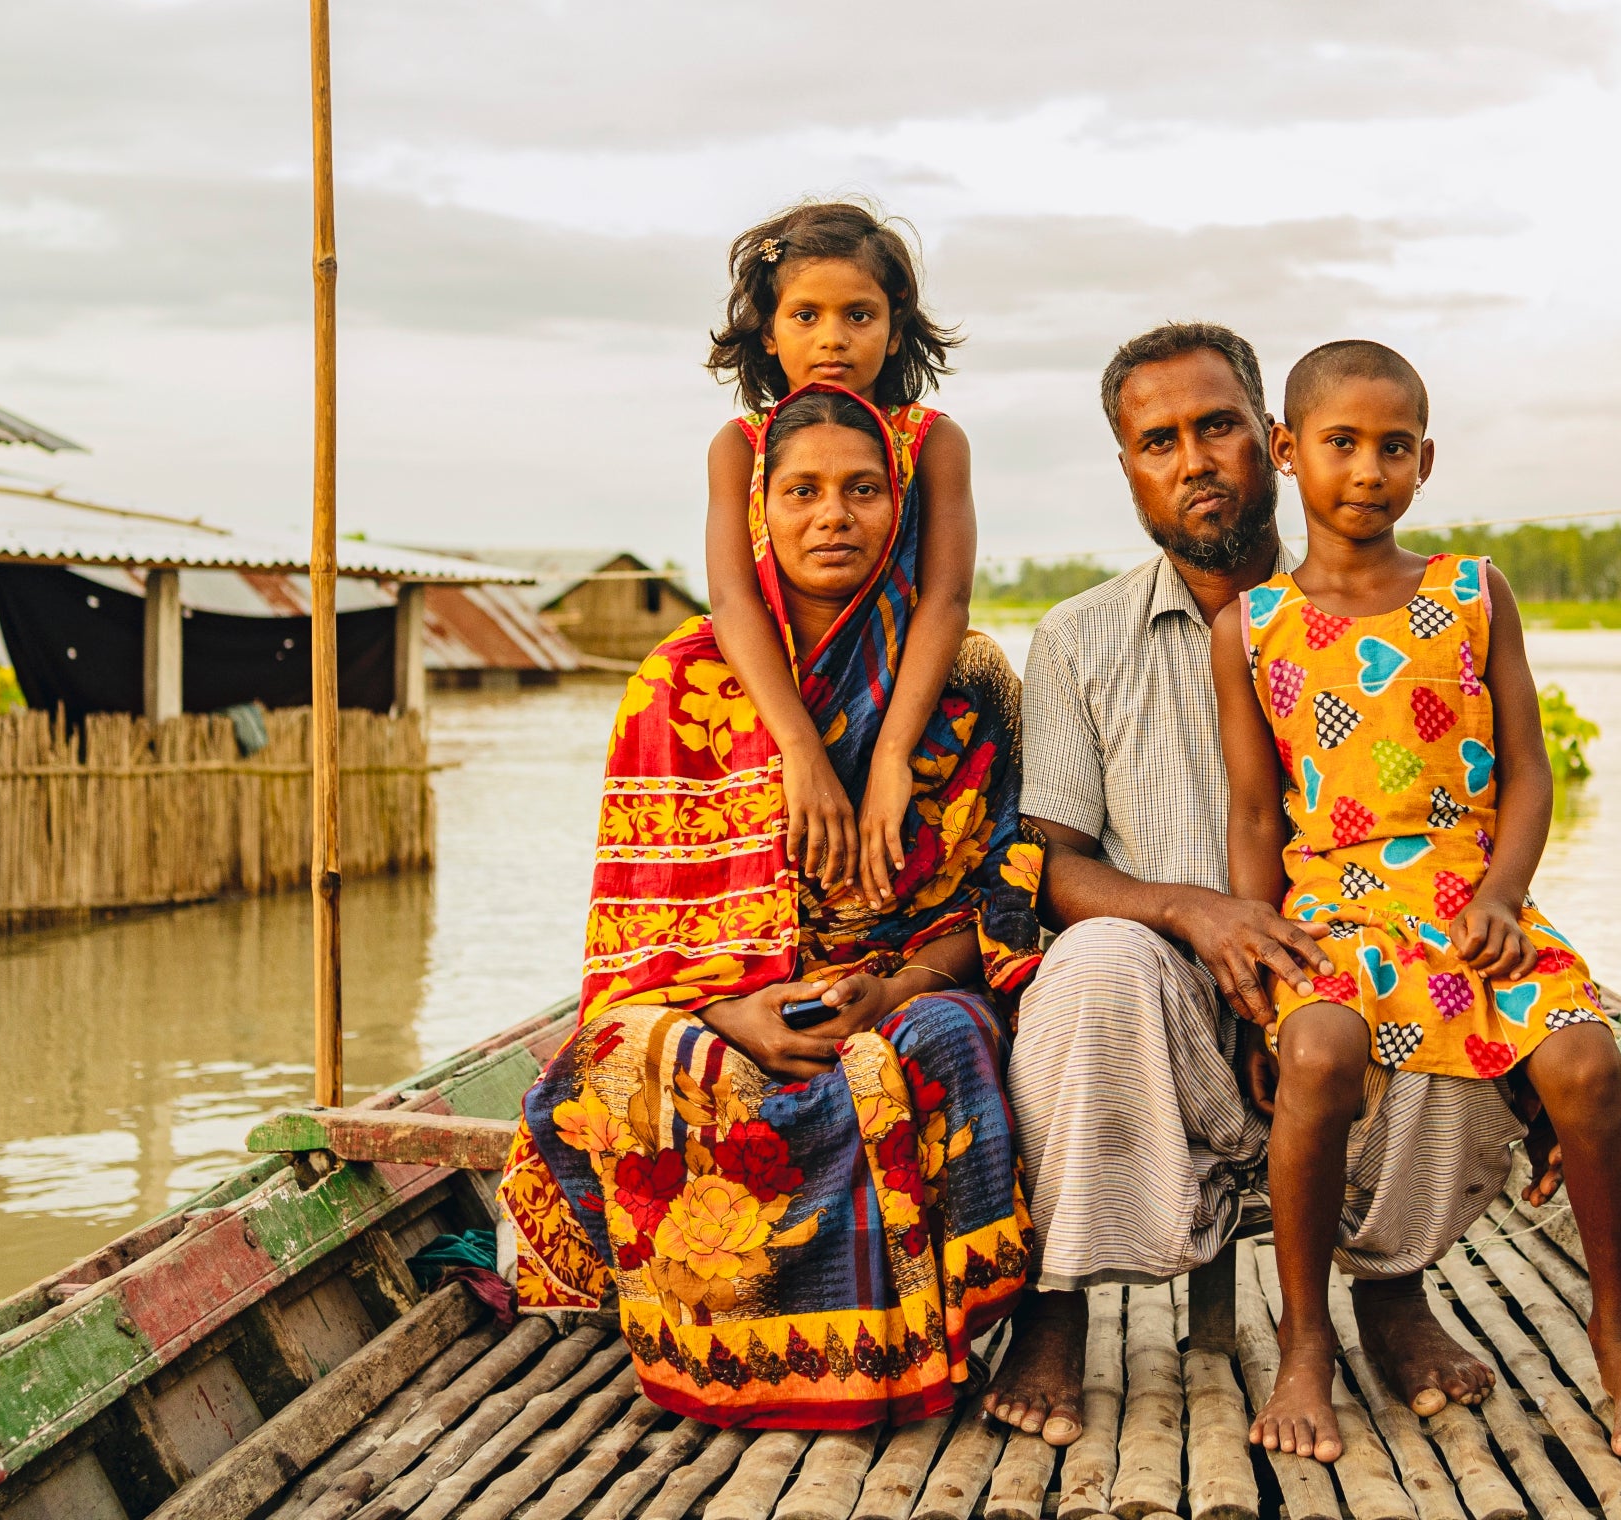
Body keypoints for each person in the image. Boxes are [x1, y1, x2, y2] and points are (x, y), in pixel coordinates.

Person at [983, 323, 1520, 1449]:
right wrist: (1197, 910)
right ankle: (1054, 1303)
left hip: (1343, 969)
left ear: (1271, 440)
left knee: (1441, 959)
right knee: (1089, 964)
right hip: (1163, 1007)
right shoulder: (1079, 638)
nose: (1193, 459)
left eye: (1216, 425)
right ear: (1126, 465)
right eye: (1157, 439)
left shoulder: (1385, 610)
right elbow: (1045, 863)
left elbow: (1480, 807)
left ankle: (1388, 1285)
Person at [499, 385, 1044, 1430]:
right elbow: (638, 934)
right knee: (625, 1057)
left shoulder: (962, 691)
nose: (831, 515)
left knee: (944, 1040)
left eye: (862, 490)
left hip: (896, 988)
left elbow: (1001, 899)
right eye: (800, 491)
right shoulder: (679, 684)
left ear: (902, 508)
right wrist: (726, 1014)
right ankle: (720, 1350)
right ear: (759, 512)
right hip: (729, 1000)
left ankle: (902, 1345)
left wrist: (894, 982)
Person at [1218, 339, 1621, 1461]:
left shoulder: (1474, 594)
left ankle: (1619, 1335)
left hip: (1467, 905)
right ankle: (1304, 1344)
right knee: (1323, 1048)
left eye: (1393, 446)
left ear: (1425, 460)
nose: (1367, 468)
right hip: (1333, 914)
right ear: (1290, 452)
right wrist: (1256, 977)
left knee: (1584, 1062)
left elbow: (1529, 768)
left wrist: (1504, 889)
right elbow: (1254, 814)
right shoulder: (1249, 626)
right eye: (1340, 443)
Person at [704, 200, 977, 907]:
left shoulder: (931, 442)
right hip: (775, 688)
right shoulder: (742, 448)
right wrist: (798, 748)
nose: (834, 339)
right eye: (806, 316)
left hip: (902, 691)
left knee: (985, 684)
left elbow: (944, 598)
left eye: (859, 315)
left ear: (893, 331)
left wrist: (891, 753)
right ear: (767, 333)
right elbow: (734, 599)